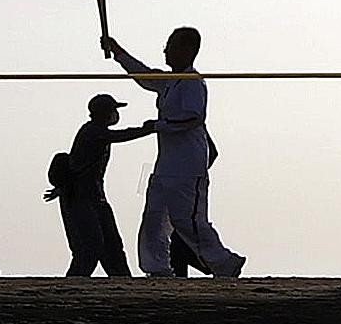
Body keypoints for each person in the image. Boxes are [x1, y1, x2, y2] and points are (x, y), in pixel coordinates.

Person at [101, 28, 245, 277]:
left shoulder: (192, 82)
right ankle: (157, 268)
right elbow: (144, 76)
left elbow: (192, 117)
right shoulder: (170, 81)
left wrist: (157, 126)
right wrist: (118, 52)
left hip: (187, 166)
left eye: (170, 45)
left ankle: (224, 262)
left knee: (187, 220)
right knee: (154, 217)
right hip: (166, 165)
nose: (165, 50)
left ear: (187, 50)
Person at [46, 94, 156, 276]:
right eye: (113, 110)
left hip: (95, 197)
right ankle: (73, 284)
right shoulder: (92, 131)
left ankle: (123, 283)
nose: (115, 114)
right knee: (90, 246)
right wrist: (147, 130)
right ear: (105, 113)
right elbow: (119, 136)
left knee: (112, 246)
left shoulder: (97, 132)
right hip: (80, 198)